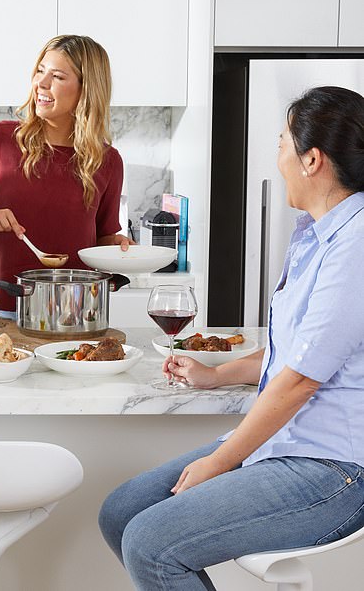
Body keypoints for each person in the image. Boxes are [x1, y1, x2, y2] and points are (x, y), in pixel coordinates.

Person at [98, 86, 364, 590]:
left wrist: (217, 463)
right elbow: (299, 348)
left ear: (312, 159)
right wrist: (217, 374)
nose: (277, 156)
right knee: (122, 512)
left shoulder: (355, 244)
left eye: (281, 143)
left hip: (335, 470)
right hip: (286, 447)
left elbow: (302, 381)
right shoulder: (315, 232)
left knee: (150, 545)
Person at [0, 34, 133, 329]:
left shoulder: (108, 162)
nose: (41, 83)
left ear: (87, 90)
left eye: (57, 76)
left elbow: (103, 240)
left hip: (72, 316)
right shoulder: (0, 139)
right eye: (40, 71)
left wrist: (121, 247)